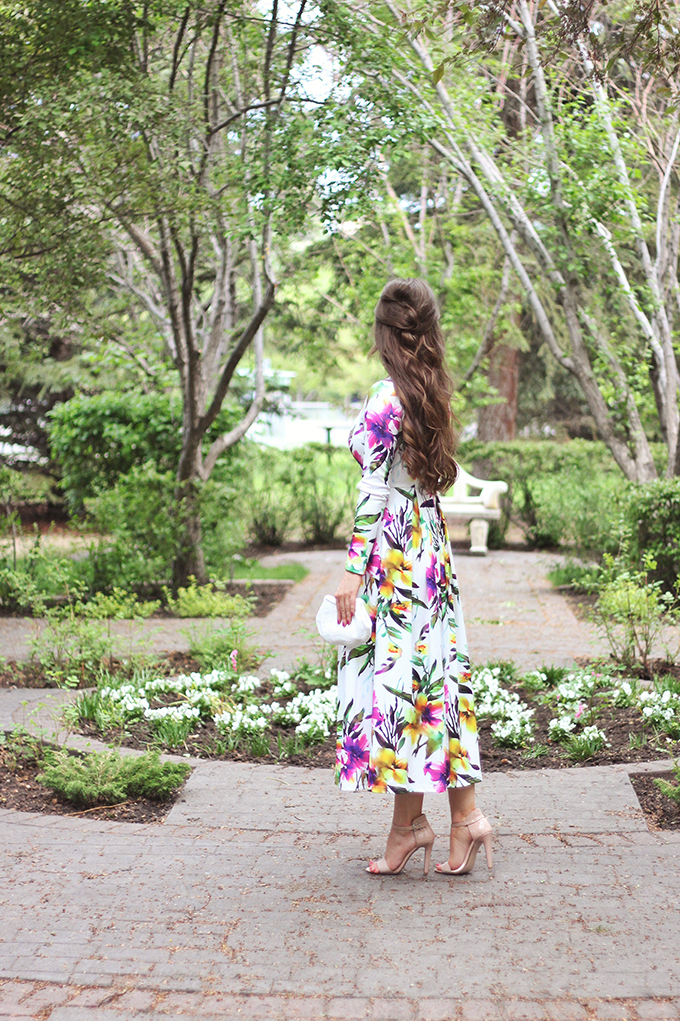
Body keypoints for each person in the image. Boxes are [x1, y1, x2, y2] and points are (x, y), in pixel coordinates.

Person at [333, 277, 492, 877]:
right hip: (431, 549)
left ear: (383, 333)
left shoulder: (385, 396)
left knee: (405, 689)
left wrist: (352, 570)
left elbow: (374, 488)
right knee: (431, 688)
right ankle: (440, 823)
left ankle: (422, 826)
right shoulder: (435, 395)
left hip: (395, 554)